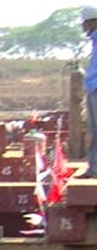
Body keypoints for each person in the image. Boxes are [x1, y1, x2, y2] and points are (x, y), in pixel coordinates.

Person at [84, 7, 97, 176]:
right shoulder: (94, 40)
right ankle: (93, 167)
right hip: (92, 87)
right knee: (93, 129)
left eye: (85, 23)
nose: (83, 27)